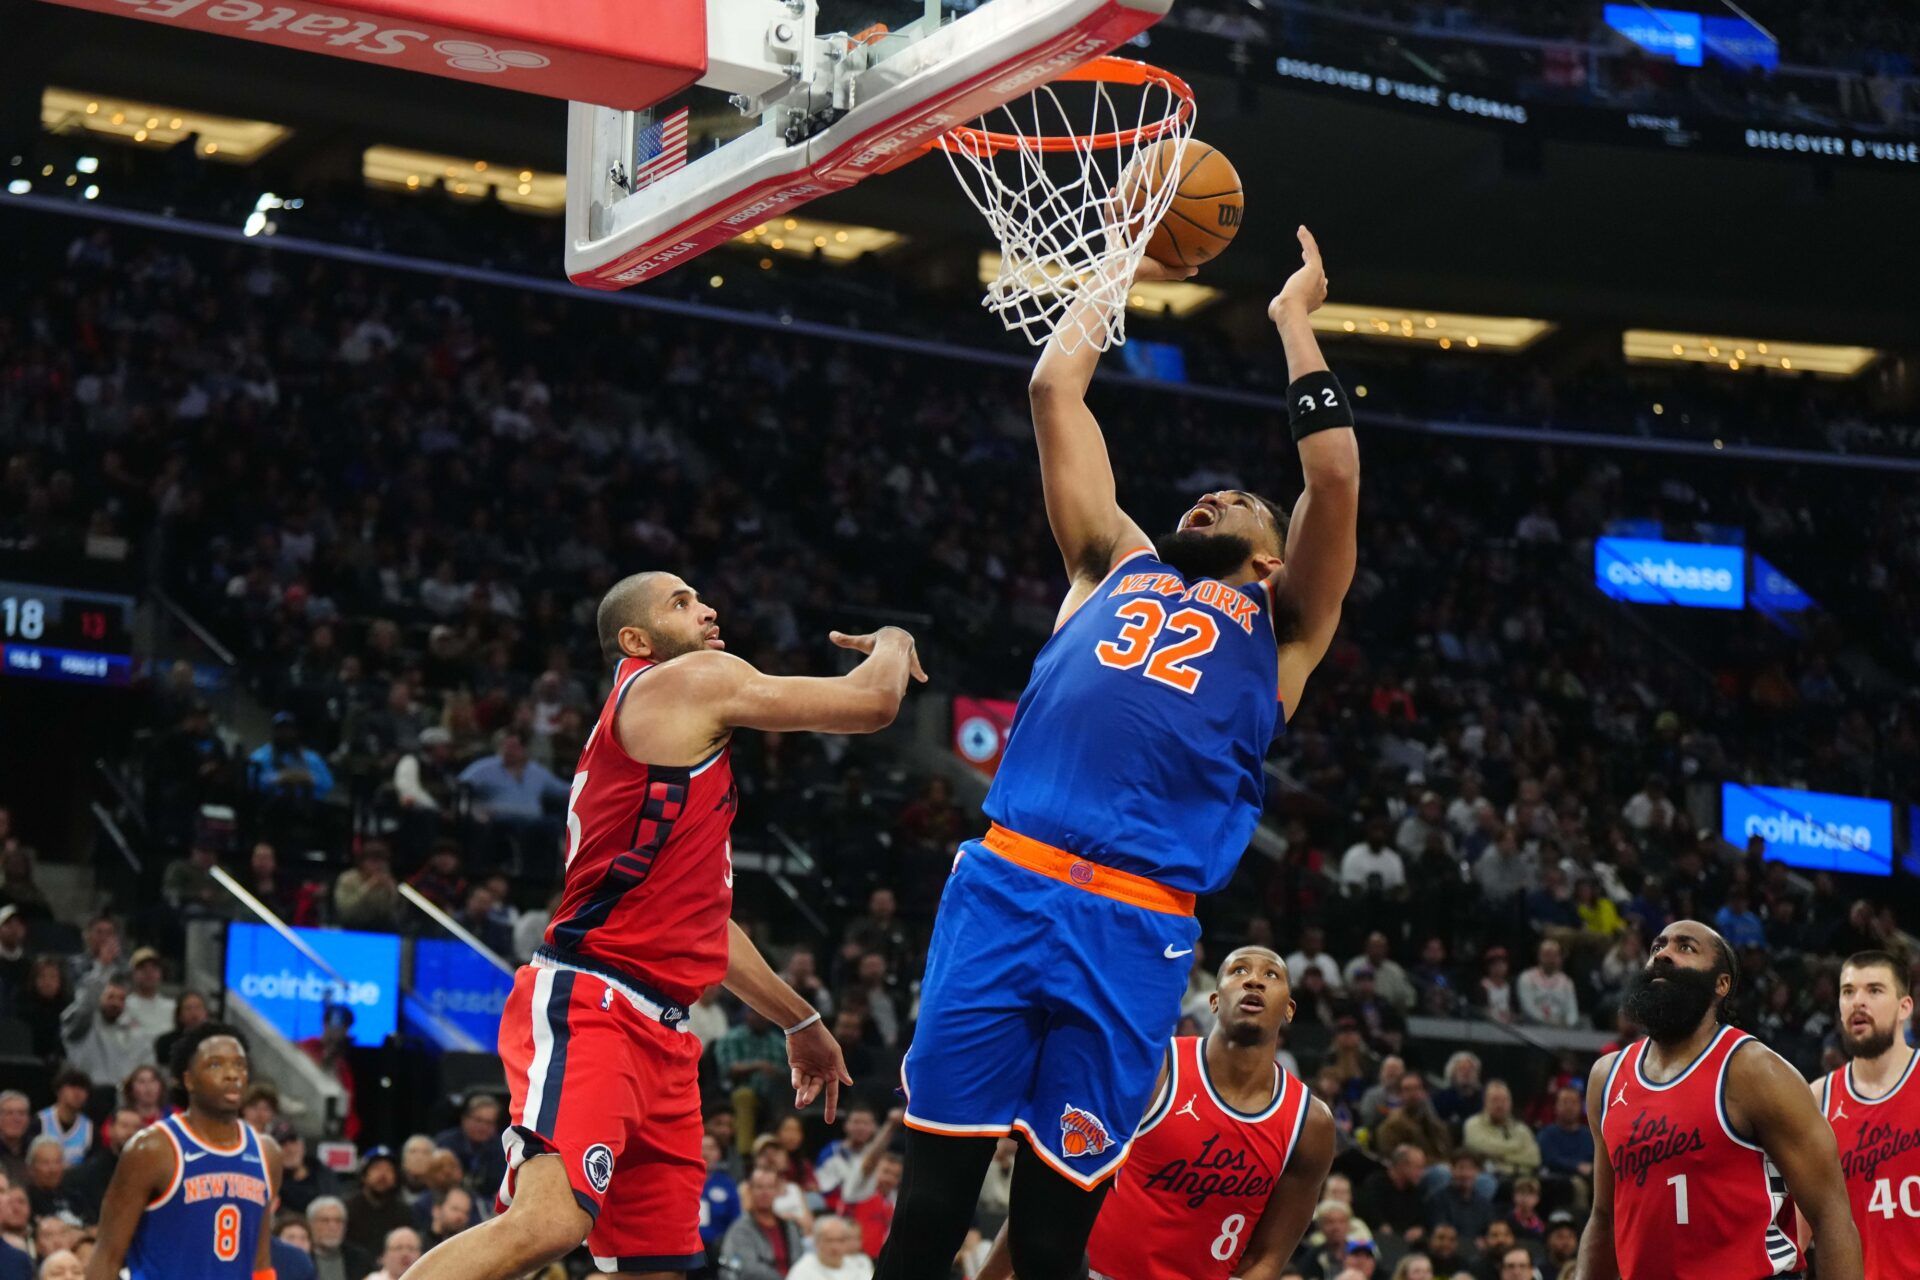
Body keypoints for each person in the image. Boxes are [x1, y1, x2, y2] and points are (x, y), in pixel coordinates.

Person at [880, 231, 1358, 1280]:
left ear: (1272, 551)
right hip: (1010, 882)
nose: (1212, 497)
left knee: (1052, 1234)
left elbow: (1330, 469)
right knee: (929, 1208)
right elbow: (1057, 389)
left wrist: (1291, 322)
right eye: (1206, 492)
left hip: (1137, 923)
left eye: (1238, 499)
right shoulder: (1110, 561)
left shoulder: (1283, 625)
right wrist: (1122, 262)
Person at [406, 573, 922, 1280]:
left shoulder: (677, 754)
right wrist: (893, 640)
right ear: (636, 641)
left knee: (656, 1268)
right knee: (549, 1221)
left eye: (702, 597)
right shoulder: (683, 682)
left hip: (666, 1035)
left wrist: (799, 1021)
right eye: (681, 602)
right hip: (595, 1005)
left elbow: (708, 927)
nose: (708, 607)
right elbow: (873, 701)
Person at [982, 946, 1336, 1280]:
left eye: (1271, 975)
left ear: (1290, 1009)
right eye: (1239, 971)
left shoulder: (1309, 1125)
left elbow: (1267, 1259)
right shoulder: (1151, 1069)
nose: (1254, 980)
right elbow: (1047, 1200)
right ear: (1214, 1001)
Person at [1574, 920, 1862, 1280]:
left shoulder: (1754, 1071)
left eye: (1685, 948)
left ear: (1720, 984)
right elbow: (1603, 1216)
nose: (1663, 954)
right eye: (1657, 947)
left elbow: (1831, 1216)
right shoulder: (1607, 1077)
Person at [82, 1022, 283, 1280]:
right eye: (215, 1065)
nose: (232, 1074)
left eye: (240, 1065)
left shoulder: (267, 1153)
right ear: (188, 1079)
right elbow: (106, 1257)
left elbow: (260, 1262)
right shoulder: (152, 1150)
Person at [1813, 950, 1920, 1280]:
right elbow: (1800, 1232)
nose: (1858, 1002)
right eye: (1848, 992)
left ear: (1905, 1007)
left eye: (1874, 990)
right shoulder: (1816, 1100)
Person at [720, 1169, 805, 1280]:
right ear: (750, 1190)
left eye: (770, 1187)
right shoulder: (740, 1229)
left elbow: (799, 1261)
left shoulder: (789, 1226)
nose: (765, 1192)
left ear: (777, 1191)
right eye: (759, 1187)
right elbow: (749, 1269)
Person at [343, 1147, 413, 1259]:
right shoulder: (348, 1208)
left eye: (389, 1170)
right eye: (376, 1168)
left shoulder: (404, 1212)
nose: (383, 1175)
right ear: (363, 1175)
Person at [1462, 1083, 1540, 1180]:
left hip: (1521, 1180)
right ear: (1485, 1102)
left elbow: (1534, 1159)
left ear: (1510, 1103)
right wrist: (1516, 1147)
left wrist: (1499, 1157)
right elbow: (1481, 1148)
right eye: (1495, 1100)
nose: (1500, 1105)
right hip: (1490, 1177)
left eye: (1504, 1100)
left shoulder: (1522, 1130)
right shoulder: (1472, 1124)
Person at [35, 1069, 93, 1168]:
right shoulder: (40, 1121)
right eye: (72, 1086)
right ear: (59, 1091)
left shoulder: (90, 1127)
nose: (77, 1093)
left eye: (82, 1088)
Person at [306, 1198, 374, 1280]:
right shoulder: (301, 1257)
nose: (333, 1227)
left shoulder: (360, 1259)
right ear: (310, 1224)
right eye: (325, 1220)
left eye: (339, 1221)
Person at [786, 1215, 872, 1280]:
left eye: (840, 1240)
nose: (835, 1247)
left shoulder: (859, 1264)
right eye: (829, 1240)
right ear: (816, 1242)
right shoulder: (802, 1270)